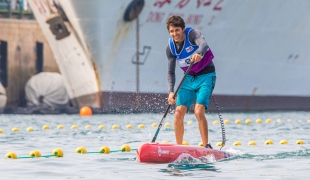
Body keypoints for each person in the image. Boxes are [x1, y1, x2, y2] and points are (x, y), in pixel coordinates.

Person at [165, 15, 216, 148]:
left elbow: (203, 44)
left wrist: (198, 53)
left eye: (177, 30)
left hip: (206, 75)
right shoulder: (170, 47)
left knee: (198, 111)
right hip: (188, 78)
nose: (175, 34)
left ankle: (206, 146)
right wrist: (171, 91)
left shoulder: (193, 34)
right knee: (178, 113)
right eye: (171, 31)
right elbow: (170, 72)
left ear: (183, 29)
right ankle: (179, 148)